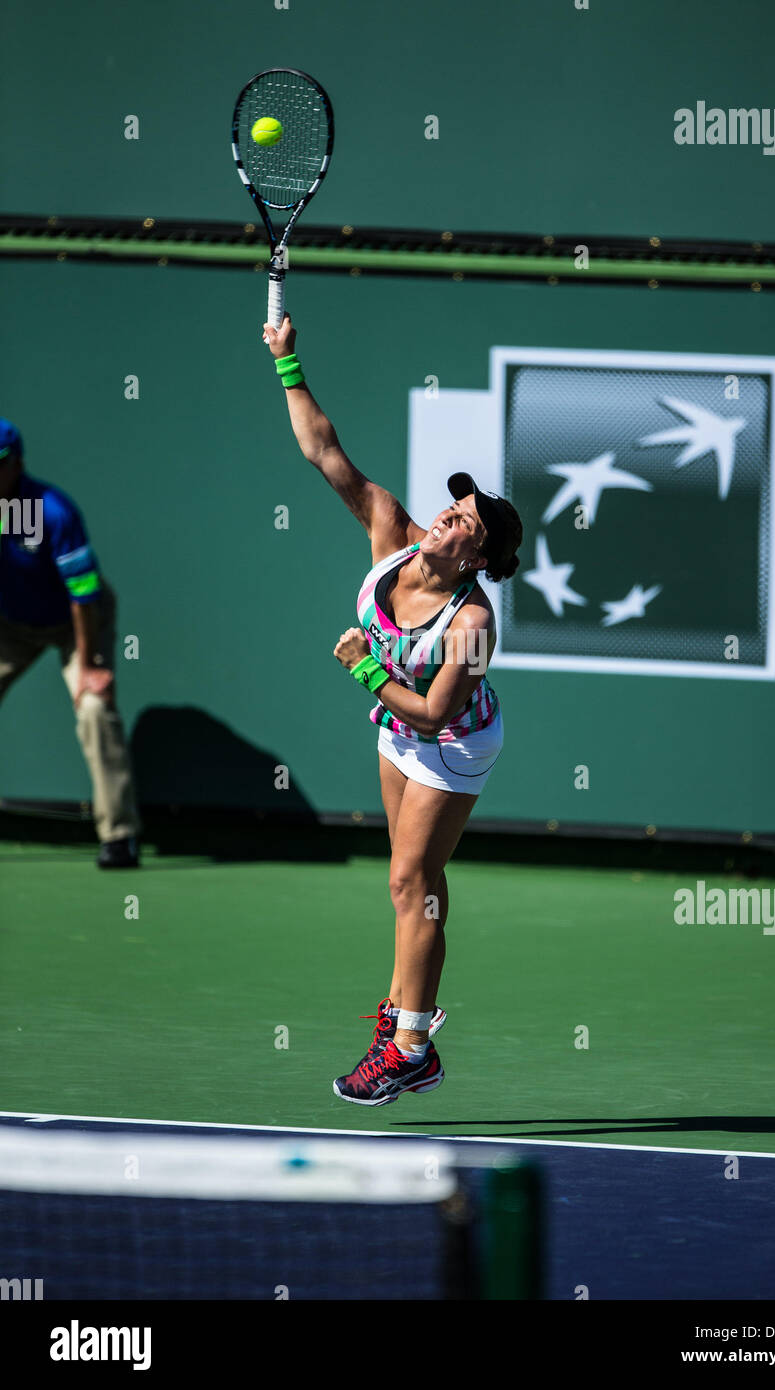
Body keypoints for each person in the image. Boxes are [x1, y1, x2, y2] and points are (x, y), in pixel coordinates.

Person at [262, 315, 523, 1106]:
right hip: (395, 720)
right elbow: (323, 452)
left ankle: (413, 1045)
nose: (450, 515)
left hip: (451, 745)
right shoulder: (392, 533)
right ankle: (402, 1012)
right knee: (403, 882)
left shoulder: (473, 625)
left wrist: (363, 666)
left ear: (477, 557)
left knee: (418, 879)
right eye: (455, 506)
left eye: (466, 522)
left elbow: (435, 716)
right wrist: (287, 362)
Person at [0, 419, 140, 868]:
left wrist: (89, 664)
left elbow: (83, 594)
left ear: (17, 464)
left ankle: (119, 837)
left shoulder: (49, 511)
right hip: (10, 624)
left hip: (77, 620)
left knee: (95, 709)